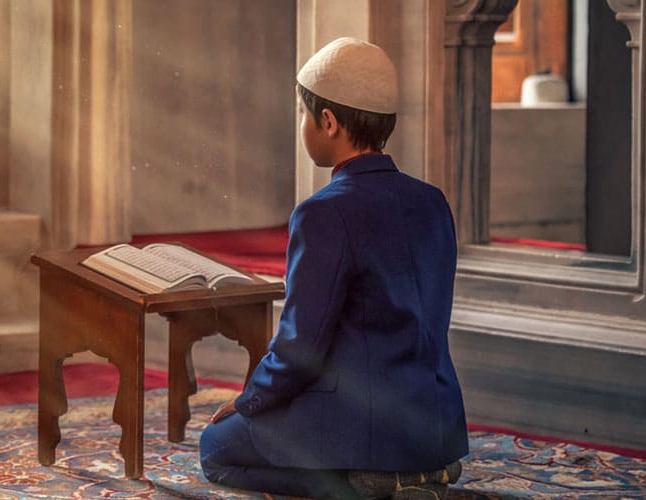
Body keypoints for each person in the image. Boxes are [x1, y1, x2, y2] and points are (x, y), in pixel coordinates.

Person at [198, 37, 469, 500]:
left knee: (215, 448)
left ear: (328, 121)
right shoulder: (432, 201)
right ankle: (421, 473)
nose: (303, 126)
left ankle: (363, 484)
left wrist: (249, 401)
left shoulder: (323, 212)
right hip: (433, 425)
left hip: (359, 426)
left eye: (303, 115)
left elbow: (300, 348)